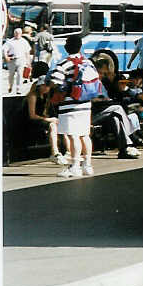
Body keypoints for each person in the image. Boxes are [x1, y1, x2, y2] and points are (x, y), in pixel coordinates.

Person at [51, 35, 100, 178]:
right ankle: (88, 166)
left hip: (69, 105)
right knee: (84, 135)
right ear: (80, 46)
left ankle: (74, 166)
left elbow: (56, 82)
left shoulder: (64, 64)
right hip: (85, 104)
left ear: (68, 47)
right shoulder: (88, 62)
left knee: (73, 136)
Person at [92, 55, 143, 158]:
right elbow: (90, 99)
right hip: (92, 114)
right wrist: (101, 99)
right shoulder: (91, 82)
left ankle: (123, 150)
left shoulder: (101, 83)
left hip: (102, 112)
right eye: (100, 73)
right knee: (118, 108)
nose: (102, 75)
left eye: (104, 73)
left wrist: (106, 100)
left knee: (116, 118)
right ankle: (131, 138)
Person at [25, 62, 68, 165]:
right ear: (38, 86)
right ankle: (55, 153)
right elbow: (32, 116)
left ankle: (69, 152)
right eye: (43, 86)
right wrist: (49, 119)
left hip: (42, 120)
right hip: (31, 122)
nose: (46, 88)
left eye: (47, 86)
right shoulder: (33, 96)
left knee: (63, 124)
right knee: (53, 124)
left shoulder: (47, 97)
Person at [4, 28, 32, 94]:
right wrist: (6, 57)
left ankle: (18, 89)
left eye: (19, 33)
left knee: (20, 74)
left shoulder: (24, 41)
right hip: (12, 60)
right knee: (11, 75)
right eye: (16, 33)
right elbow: (4, 50)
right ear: (14, 33)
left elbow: (27, 52)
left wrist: (28, 62)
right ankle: (10, 86)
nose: (17, 34)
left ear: (21, 34)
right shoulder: (10, 41)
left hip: (21, 60)